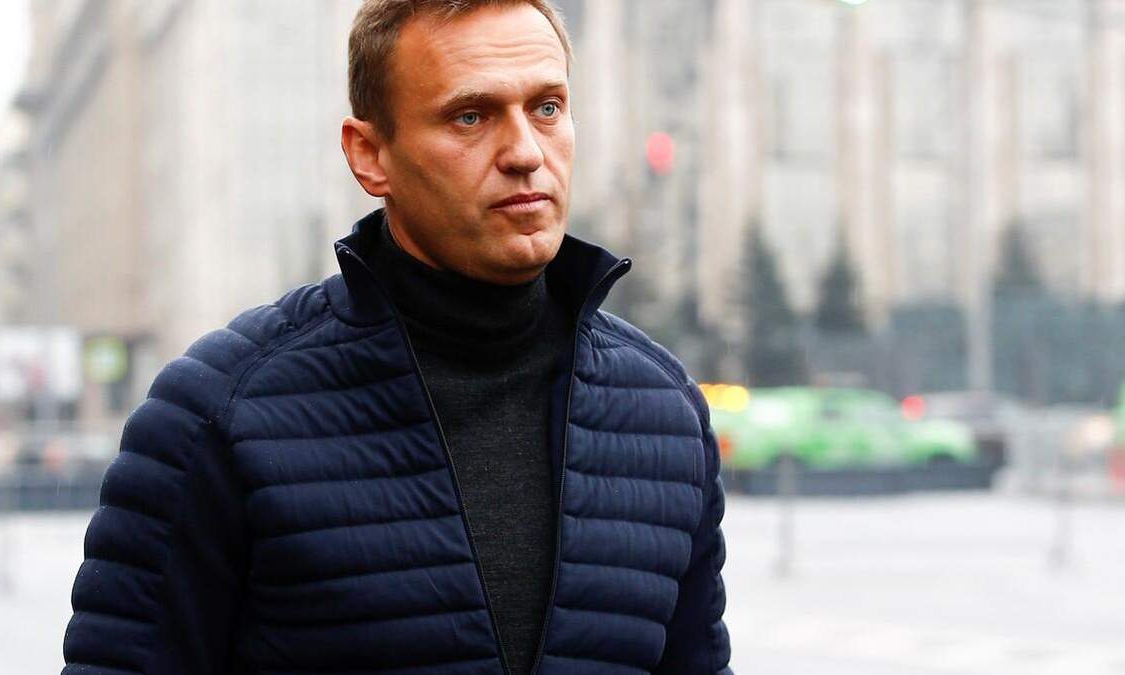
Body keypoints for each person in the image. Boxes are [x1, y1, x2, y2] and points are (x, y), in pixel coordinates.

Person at [60, 1, 735, 673]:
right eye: (471, 116)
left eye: (548, 108)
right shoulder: (217, 418)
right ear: (370, 155)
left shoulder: (663, 414)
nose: (526, 153)